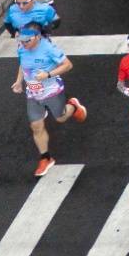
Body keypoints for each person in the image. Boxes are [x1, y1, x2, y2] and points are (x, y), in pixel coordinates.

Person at [13, 25, 85, 175]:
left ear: (37, 37)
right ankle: (45, 158)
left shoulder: (49, 48)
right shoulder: (22, 47)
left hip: (52, 91)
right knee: (36, 126)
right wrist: (19, 81)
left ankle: (73, 105)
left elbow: (68, 65)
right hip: (33, 93)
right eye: (22, 40)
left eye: (28, 40)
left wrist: (48, 74)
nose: (24, 43)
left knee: (60, 118)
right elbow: (23, 64)